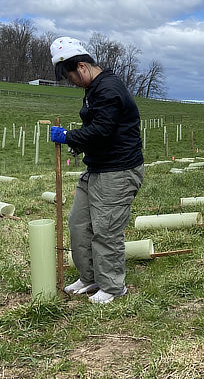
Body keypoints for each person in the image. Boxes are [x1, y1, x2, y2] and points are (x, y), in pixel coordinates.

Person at [49, 36, 145, 304]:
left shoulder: (108, 89)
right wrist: (76, 141)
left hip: (118, 170)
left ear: (81, 67)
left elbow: (102, 132)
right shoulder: (94, 89)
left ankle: (113, 286)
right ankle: (90, 276)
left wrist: (69, 136)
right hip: (97, 168)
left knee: (106, 229)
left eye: (70, 78)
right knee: (79, 224)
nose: (71, 83)